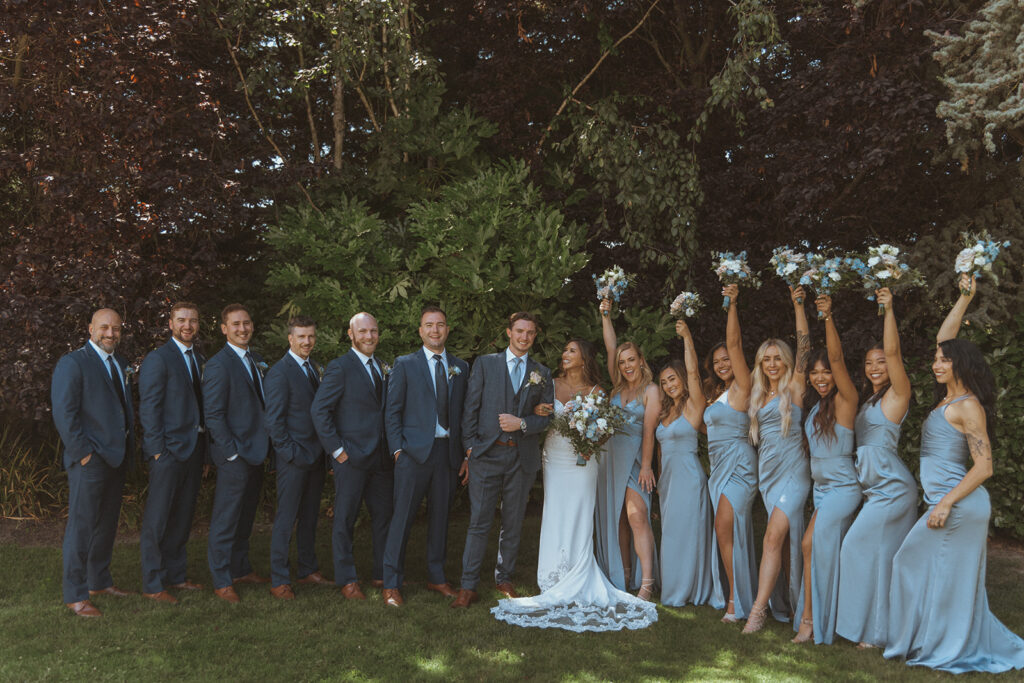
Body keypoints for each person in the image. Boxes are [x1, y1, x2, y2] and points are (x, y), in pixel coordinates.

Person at [884, 275, 1024, 673]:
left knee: (923, 568)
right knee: (922, 569)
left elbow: (985, 466)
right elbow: (946, 337)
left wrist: (945, 502)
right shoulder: (949, 398)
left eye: (944, 360)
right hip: (945, 502)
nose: (936, 363)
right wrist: (964, 297)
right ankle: (930, 639)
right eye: (936, 359)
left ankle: (946, 646)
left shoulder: (968, 406)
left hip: (959, 505)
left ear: (960, 364)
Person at [490, 339, 657, 631]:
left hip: (584, 460)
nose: (565, 355)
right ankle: (552, 576)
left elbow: (605, 430)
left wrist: (591, 441)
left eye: (571, 351)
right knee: (554, 512)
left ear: (584, 358)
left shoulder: (598, 392)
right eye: (564, 350)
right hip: (554, 457)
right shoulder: (549, 384)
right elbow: (534, 413)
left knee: (581, 512)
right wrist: (540, 412)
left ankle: (580, 570)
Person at [453, 312, 554, 608]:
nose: (525, 337)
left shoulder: (541, 373)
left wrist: (522, 423)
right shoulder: (485, 364)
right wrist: (470, 450)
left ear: (535, 336)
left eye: (531, 333)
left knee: (513, 521)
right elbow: (470, 409)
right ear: (509, 332)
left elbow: (546, 419)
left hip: (521, 458)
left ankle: (504, 578)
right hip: (486, 455)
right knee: (479, 522)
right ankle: (467, 586)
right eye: (520, 331)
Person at [835, 287, 917, 649]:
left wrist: (888, 309)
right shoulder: (868, 399)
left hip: (893, 490)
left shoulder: (898, 395)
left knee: (854, 548)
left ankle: (871, 631)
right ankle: (878, 632)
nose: (874, 367)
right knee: (880, 560)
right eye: (869, 362)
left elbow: (896, 351)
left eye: (880, 361)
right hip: (874, 491)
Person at [52, 308, 137, 617]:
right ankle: (75, 594)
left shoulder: (121, 363)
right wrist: (84, 454)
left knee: (106, 524)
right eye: (104, 328)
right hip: (90, 460)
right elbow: (64, 413)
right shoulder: (73, 363)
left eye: (116, 328)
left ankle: (99, 581)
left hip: (116, 458)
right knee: (82, 526)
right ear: (90, 329)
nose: (110, 333)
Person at [382, 305, 468, 607]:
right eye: (429, 325)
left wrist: (465, 454)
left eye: (440, 325)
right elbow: (392, 411)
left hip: (447, 454)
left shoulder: (461, 367)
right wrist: (397, 451)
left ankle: (436, 576)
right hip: (413, 454)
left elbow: (463, 415)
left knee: (441, 519)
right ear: (420, 330)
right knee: (402, 518)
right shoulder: (405, 364)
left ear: (447, 329)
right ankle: (391, 582)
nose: (435, 330)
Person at [791, 295, 862, 644]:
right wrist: (800, 307)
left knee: (809, 543)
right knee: (813, 548)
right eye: (815, 373)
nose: (821, 377)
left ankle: (811, 621)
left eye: (826, 372)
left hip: (843, 489)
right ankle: (817, 618)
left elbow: (836, 356)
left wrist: (828, 315)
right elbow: (804, 356)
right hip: (821, 490)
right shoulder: (817, 405)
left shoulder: (846, 400)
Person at [742, 286, 811, 633]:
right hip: (767, 475)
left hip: (795, 473)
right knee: (782, 544)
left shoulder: (794, 388)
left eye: (776, 358)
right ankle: (791, 606)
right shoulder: (757, 393)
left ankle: (758, 611)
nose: (772, 364)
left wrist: (798, 305)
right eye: (765, 359)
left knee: (772, 536)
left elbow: (805, 348)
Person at [311, 312, 393, 600]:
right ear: (351, 334)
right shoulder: (339, 367)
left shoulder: (383, 366)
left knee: (384, 517)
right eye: (363, 332)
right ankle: (347, 579)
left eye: (373, 331)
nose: (369, 336)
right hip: (351, 458)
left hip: (381, 459)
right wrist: (337, 450)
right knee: (345, 519)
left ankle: (383, 574)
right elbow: (319, 411)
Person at [138, 302, 206, 604]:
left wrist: (204, 455)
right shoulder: (158, 359)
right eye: (181, 320)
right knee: (158, 520)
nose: (187, 326)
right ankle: (153, 583)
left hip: (193, 453)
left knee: (182, 517)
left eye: (192, 321)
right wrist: (156, 452)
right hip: (167, 452)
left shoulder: (200, 359)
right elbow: (149, 408)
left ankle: (176, 575)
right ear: (170, 324)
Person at [204, 303, 271, 603]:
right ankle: (221, 578)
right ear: (224, 329)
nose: (242, 329)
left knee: (245, 516)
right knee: (226, 519)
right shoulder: (219, 364)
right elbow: (214, 414)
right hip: (235, 455)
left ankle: (241, 568)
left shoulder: (256, 359)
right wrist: (230, 453)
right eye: (235, 324)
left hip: (257, 451)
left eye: (246, 323)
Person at [596, 298, 660, 599]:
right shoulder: (618, 389)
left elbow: (649, 431)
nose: (626, 366)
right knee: (618, 518)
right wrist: (605, 316)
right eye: (622, 363)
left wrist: (647, 466)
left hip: (636, 460)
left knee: (637, 516)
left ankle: (647, 582)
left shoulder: (651, 390)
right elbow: (611, 348)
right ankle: (624, 575)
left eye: (631, 360)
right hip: (611, 457)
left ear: (641, 360)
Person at [263, 315, 329, 599]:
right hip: (293, 459)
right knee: (286, 518)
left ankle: (307, 569)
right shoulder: (280, 372)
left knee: (310, 517)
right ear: (290, 339)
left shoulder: (313, 368)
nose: (307, 341)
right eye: (301, 337)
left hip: (315, 457)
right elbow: (274, 422)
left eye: (311, 336)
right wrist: (290, 453)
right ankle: (279, 578)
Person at [704, 283, 759, 622]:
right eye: (718, 361)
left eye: (727, 359)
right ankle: (738, 594)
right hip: (717, 466)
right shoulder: (717, 394)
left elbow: (735, 342)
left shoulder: (743, 386)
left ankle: (736, 600)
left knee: (725, 525)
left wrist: (732, 304)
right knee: (725, 530)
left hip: (739, 464)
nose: (723, 364)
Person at [655, 320, 716, 607]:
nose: (669, 385)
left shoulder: (694, 407)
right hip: (667, 482)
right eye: (664, 382)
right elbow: (660, 449)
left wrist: (687, 338)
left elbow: (694, 371)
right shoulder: (664, 412)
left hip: (690, 479)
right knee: (671, 535)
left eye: (673, 379)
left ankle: (688, 590)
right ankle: (673, 586)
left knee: (688, 535)